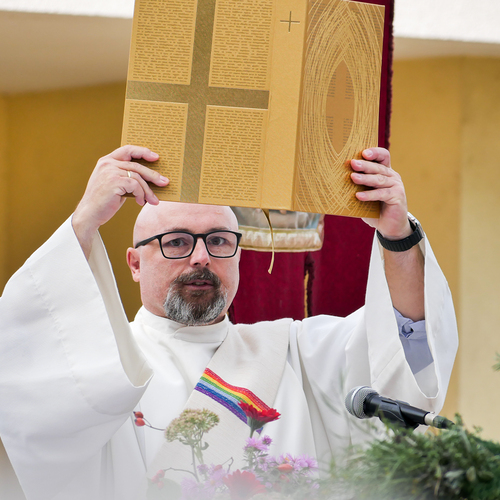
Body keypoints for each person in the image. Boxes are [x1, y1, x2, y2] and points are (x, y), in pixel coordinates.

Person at [0, 145, 458, 500]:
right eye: (176, 242)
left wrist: (397, 234)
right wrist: (83, 223)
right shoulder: (102, 367)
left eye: (219, 241)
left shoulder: (295, 354)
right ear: (134, 263)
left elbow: (400, 346)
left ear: (238, 255)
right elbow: (24, 382)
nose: (201, 256)